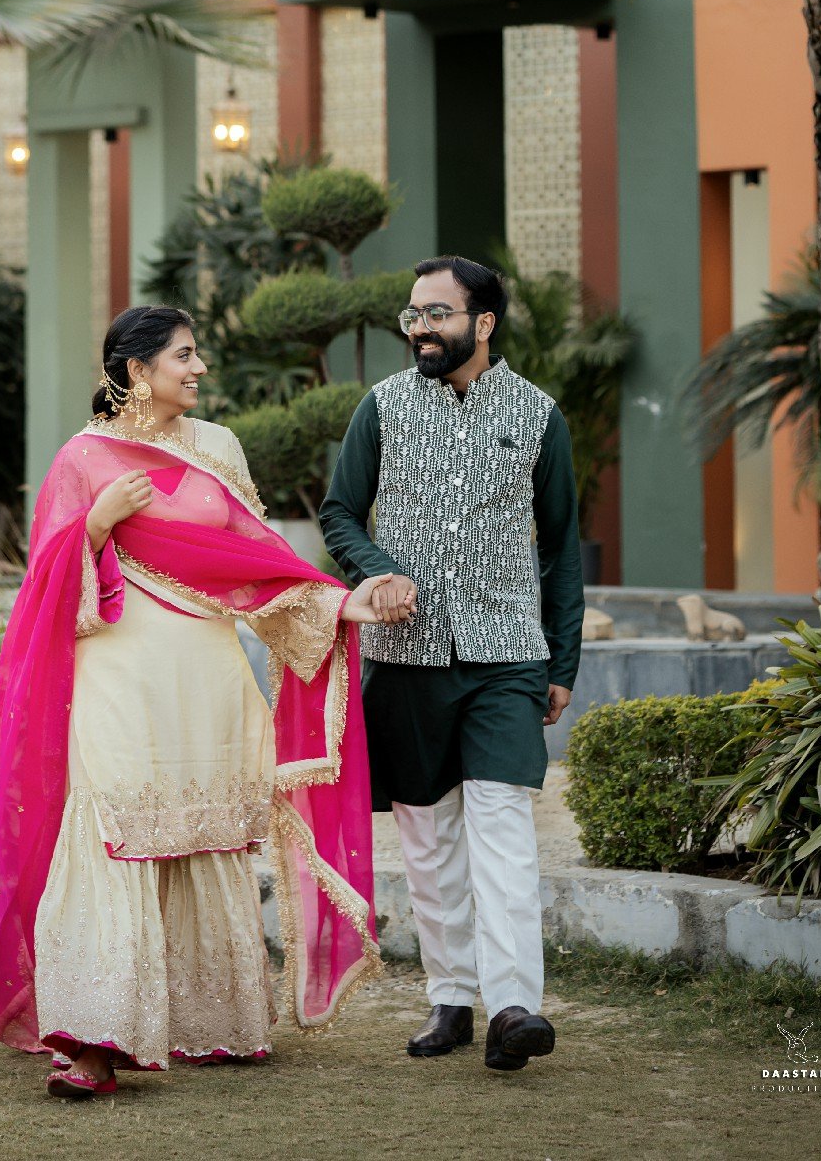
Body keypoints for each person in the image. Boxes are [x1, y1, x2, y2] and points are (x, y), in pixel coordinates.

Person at [0, 304, 416, 1098]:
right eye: (184, 356)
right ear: (136, 369)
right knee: (113, 823)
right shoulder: (83, 460)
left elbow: (260, 562)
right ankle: (95, 1037)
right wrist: (94, 527)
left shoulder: (217, 448)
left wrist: (344, 604)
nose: (200, 369)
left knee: (205, 836)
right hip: (118, 667)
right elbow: (44, 593)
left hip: (208, 670)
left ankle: (216, 1022)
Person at [319, 255, 584, 1075]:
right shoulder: (383, 407)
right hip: (406, 657)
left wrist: (561, 661)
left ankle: (514, 1006)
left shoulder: (539, 415)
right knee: (429, 839)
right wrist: (374, 571)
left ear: (484, 322)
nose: (420, 328)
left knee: (502, 824)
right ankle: (452, 999)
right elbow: (338, 511)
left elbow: (561, 549)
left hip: (507, 655)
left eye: (436, 313)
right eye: (412, 314)